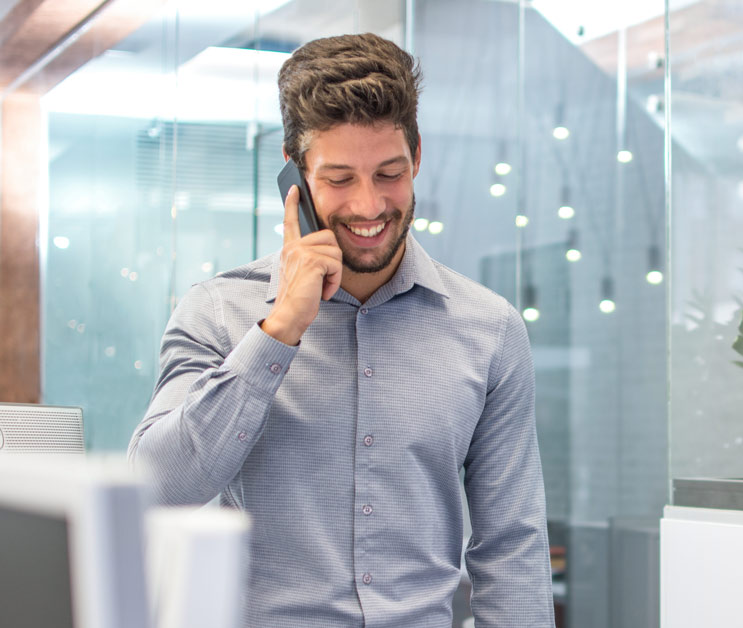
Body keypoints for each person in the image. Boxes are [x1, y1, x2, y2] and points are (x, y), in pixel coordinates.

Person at [128, 33, 553, 627]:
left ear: (417, 158)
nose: (370, 205)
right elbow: (155, 487)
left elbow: (512, 547)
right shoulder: (218, 313)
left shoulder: (489, 330)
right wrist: (279, 331)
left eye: (389, 173)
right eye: (338, 179)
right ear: (294, 173)